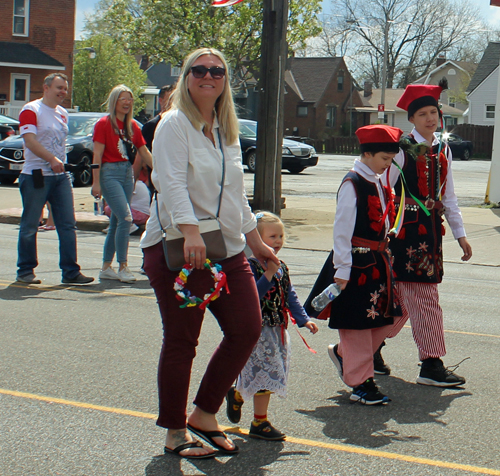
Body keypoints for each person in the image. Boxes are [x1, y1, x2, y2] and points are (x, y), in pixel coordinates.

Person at [140, 47, 279, 459]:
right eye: (198, 70)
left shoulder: (223, 126)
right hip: (182, 249)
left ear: (225, 81)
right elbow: (168, 183)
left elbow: (234, 193)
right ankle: (175, 432)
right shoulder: (173, 124)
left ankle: (204, 414)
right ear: (185, 77)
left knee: (246, 328)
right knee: (183, 341)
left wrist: (257, 243)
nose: (208, 76)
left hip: (227, 246)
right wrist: (190, 232)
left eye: (217, 71)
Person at [306, 125, 403, 405]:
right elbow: (342, 230)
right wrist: (342, 270)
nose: (388, 165)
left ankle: (344, 355)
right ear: (368, 153)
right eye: (385, 159)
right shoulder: (353, 183)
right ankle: (361, 383)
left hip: (378, 262)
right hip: (356, 264)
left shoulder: (377, 179)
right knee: (358, 326)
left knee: (386, 318)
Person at [384, 81, 472, 387]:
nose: (430, 118)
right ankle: (431, 364)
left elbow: (448, 197)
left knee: (406, 300)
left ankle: (363, 348)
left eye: (434, 111)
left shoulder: (443, 148)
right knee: (424, 297)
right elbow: (384, 191)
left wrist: (460, 234)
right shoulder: (400, 149)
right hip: (405, 234)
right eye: (422, 113)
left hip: (432, 233)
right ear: (412, 118)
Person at [226, 211, 318, 440]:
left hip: (277, 329)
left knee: (269, 373)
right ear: (256, 240)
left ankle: (237, 397)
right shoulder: (249, 266)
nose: (278, 241)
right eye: (272, 236)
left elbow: (290, 295)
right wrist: (268, 274)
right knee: (265, 372)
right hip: (257, 330)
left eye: (280, 236)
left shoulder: (281, 267)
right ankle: (260, 421)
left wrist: (304, 319)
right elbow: (251, 296)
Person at [16, 73, 94, 285]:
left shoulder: (62, 113)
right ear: (46, 87)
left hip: (60, 177)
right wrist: (51, 158)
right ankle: (25, 270)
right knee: (31, 224)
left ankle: (71, 272)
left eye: (65, 89)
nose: (63, 92)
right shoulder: (31, 110)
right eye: (59, 87)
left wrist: (60, 162)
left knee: (68, 224)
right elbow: (30, 141)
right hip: (35, 175)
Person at [91, 85, 152, 283]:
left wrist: (160, 170)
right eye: (122, 99)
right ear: (114, 101)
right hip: (109, 174)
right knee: (126, 219)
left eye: (130, 99)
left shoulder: (132, 126)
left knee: (117, 221)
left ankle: (106, 267)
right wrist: (96, 182)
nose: (127, 102)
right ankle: (123, 266)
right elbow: (97, 154)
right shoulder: (104, 123)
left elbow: (143, 151)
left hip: (126, 173)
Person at [142, 84, 174, 152]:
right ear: (160, 100)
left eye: (175, 99)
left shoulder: (180, 124)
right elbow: (143, 154)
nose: (172, 103)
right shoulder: (151, 126)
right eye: (169, 99)